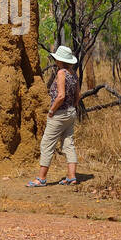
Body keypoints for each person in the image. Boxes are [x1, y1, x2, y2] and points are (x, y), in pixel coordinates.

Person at [27, 45, 81, 187]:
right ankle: (71, 177)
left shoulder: (61, 73)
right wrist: (73, 106)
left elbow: (61, 95)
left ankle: (41, 179)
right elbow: (78, 96)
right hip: (71, 113)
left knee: (47, 144)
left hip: (59, 114)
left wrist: (52, 110)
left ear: (59, 60)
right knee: (68, 144)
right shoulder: (74, 74)